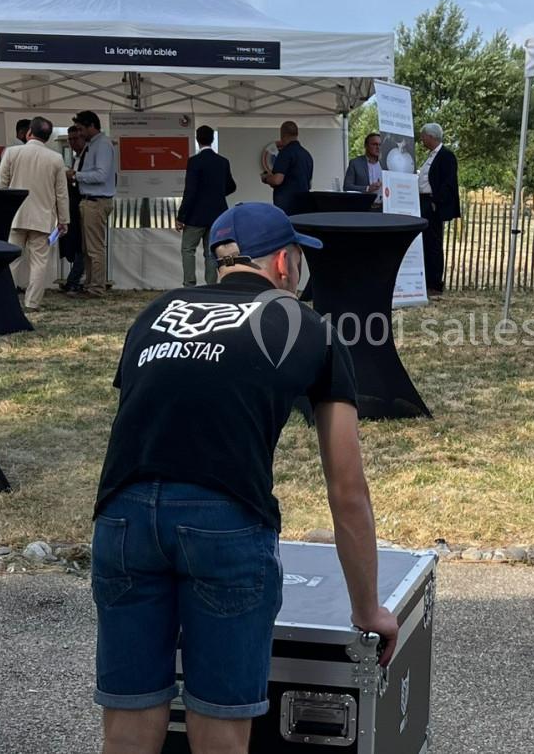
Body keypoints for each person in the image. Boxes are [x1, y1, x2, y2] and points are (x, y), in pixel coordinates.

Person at [92, 202, 398, 754]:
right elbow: (347, 490)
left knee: (129, 726)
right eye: (300, 257)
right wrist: (367, 610)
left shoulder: (153, 315)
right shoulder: (312, 329)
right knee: (222, 733)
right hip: (224, 521)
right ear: (284, 262)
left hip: (121, 515)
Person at [0, 116, 69, 311]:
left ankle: (5, 301)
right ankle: (32, 303)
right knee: (39, 263)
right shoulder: (56, 159)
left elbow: (0, 186)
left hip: (14, 216)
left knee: (10, 260)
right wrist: (64, 220)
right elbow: (61, 194)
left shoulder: (11, 153)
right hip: (42, 218)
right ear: (48, 137)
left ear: (29, 132)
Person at [174, 124, 236, 287]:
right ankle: (211, 285)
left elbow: (190, 191)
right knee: (211, 253)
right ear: (212, 139)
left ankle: (189, 284)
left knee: (188, 249)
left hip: (195, 216)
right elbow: (232, 186)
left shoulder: (194, 162)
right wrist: (216, 195)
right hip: (217, 215)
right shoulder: (223, 162)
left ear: (197, 139)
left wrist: (181, 216)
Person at [68, 110, 115, 297]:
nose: (79, 134)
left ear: (91, 126)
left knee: (95, 249)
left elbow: (101, 175)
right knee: (88, 248)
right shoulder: (93, 145)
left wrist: (75, 175)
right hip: (89, 200)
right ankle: (89, 285)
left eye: (81, 129)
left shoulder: (102, 145)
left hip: (96, 201)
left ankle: (96, 287)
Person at [417, 123, 460, 295]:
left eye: (423, 136)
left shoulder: (446, 156)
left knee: (434, 243)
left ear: (431, 136)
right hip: (423, 202)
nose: (422, 139)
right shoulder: (431, 156)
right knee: (426, 242)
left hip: (432, 204)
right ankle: (427, 281)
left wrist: (436, 201)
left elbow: (448, 183)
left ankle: (435, 283)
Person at [260, 120, 312, 216]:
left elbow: (277, 180)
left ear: (283, 134)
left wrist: (266, 178)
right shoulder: (306, 155)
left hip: (287, 206)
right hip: (304, 204)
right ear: (297, 134)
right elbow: (309, 183)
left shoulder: (285, 153)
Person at [59, 123, 87, 293]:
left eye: (75, 138)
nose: (72, 142)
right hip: (72, 205)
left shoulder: (87, 157)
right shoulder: (77, 158)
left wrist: (73, 176)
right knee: (75, 243)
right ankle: (73, 279)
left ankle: (74, 279)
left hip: (82, 204)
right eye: (70, 139)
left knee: (81, 245)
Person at [0, 119, 33, 183]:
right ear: (21, 133)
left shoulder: (9, 148)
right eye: (31, 134)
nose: (33, 137)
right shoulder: (18, 149)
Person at [343, 132, 383, 201]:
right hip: (364, 208)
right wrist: (367, 188)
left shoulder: (385, 165)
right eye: (374, 144)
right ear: (366, 146)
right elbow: (347, 187)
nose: (378, 147)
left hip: (383, 208)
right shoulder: (355, 163)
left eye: (380, 145)